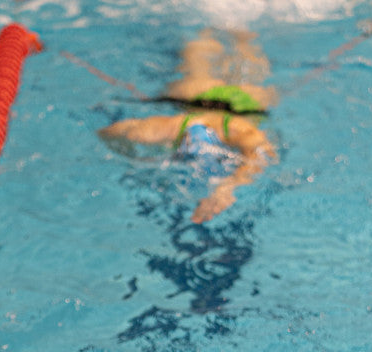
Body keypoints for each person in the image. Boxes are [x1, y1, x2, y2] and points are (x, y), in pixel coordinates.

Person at [98, 29, 278, 224]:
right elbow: (111, 132)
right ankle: (235, 30)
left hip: (235, 100)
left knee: (209, 58)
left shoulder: (231, 127)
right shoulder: (171, 128)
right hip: (212, 99)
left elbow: (113, 132)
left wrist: (227, 188)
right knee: (241, 57)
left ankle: (220, 30)